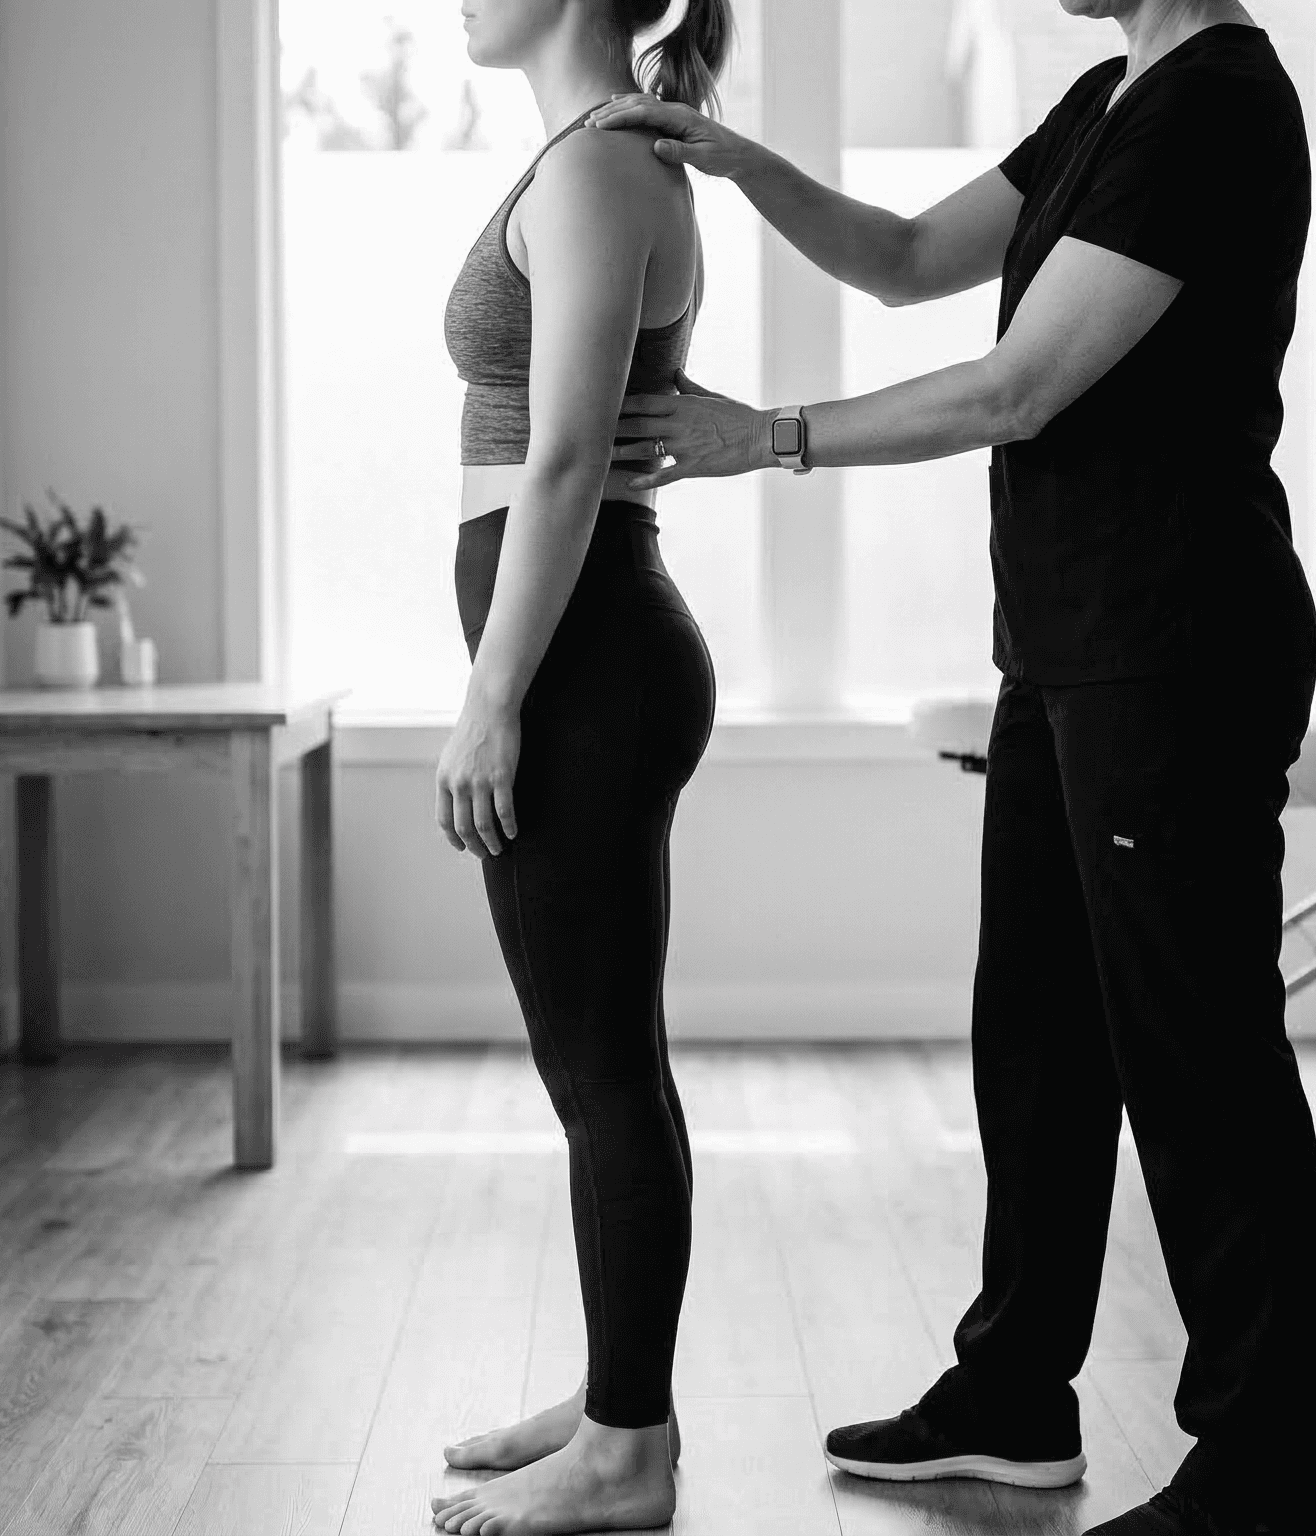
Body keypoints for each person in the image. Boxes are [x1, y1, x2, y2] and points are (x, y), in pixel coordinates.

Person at [585, 2, 1316, 1532]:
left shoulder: (1216, 107)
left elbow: (1019, 386)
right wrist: (739, 162)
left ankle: (1265, 1461)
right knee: (1043, 1045)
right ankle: (1013, 1394)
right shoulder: (1108, 97)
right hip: (1067, 650)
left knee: (1200, 1063)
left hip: (1175, 650)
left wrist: (770, 438)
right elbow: (912, 256)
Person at [425, 1, 732, 1534]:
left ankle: (630, 1453)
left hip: (586, 657)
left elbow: (560, 459)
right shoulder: (583, 157)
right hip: (579, 647)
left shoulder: (603, 166)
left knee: (606, 1066)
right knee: (591, 1062)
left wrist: (494, 698)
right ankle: (619, 1400)